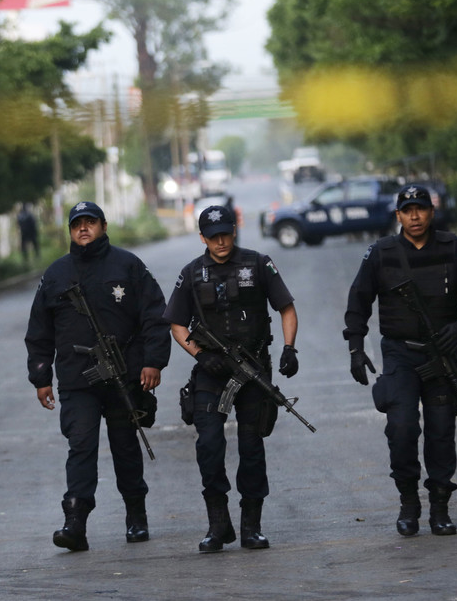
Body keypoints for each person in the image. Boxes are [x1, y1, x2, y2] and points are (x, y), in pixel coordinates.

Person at [25, 201, 171, 552]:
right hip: (77, 381)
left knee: (125, 447)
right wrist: (41, 377)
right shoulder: (57, 274)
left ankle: (136, 516)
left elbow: (155, 315)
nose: (84, 229)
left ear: (104, 226)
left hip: (123, 376)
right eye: (77, 225)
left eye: (90, 222)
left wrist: (153, 362)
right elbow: (39, 330)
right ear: (71, 231)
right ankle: (75, 523)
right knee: (81, 447)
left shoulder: (128, 265)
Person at [343, 184, 457, 537]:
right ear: (398, 216)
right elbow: (359, 300)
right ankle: (409, 502)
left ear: (431, 212)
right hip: (399, 354)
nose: (415, 216)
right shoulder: (381, 252)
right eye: (407, 210)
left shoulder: (453, 248)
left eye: (420, 209)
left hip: (443, 355)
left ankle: (440, 507)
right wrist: (356, 347)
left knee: (441, 431)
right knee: (402, 428)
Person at [164, 205, 299, 553]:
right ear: (202, 238)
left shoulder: (257, 263)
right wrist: (201, 356)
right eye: (212, 236)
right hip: (211, 372)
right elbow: (177, 325)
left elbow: (286, 307)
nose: (220, 241)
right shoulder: (192, 273)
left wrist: (288, 348)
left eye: (225, 233)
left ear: (234, 230)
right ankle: (218, 525)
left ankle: (251, 526)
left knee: (251, 446)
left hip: (252, 370)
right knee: (209, 444)